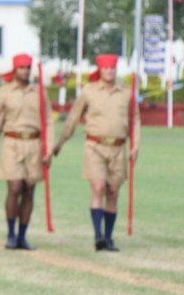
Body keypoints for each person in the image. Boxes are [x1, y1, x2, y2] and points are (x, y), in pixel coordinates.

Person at [52, 53, 140, 252]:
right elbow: (73, 118)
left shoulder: (126, 93)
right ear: (100, 70)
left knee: (113, 192)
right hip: (95, 147)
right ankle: (98, 235)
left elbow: (135, 120)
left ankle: (108, 238)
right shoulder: (89, 91)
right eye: (106, 68)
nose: (109, 71)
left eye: (112, 68)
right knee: (99, 187)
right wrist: (60, 142)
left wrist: (136, 146)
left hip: (118, 147)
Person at [0, 53, 53, 250]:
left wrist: (48, 148)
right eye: (21, 68)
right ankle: (11, 233)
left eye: (27, 68)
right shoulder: (4, 93)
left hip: (34, 143)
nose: (25, 71)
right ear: (14, 70)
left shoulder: (39, 92)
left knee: (29, 189)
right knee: (14, 187)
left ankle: (23, 235)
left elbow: (48, 120)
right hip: (11, 143)